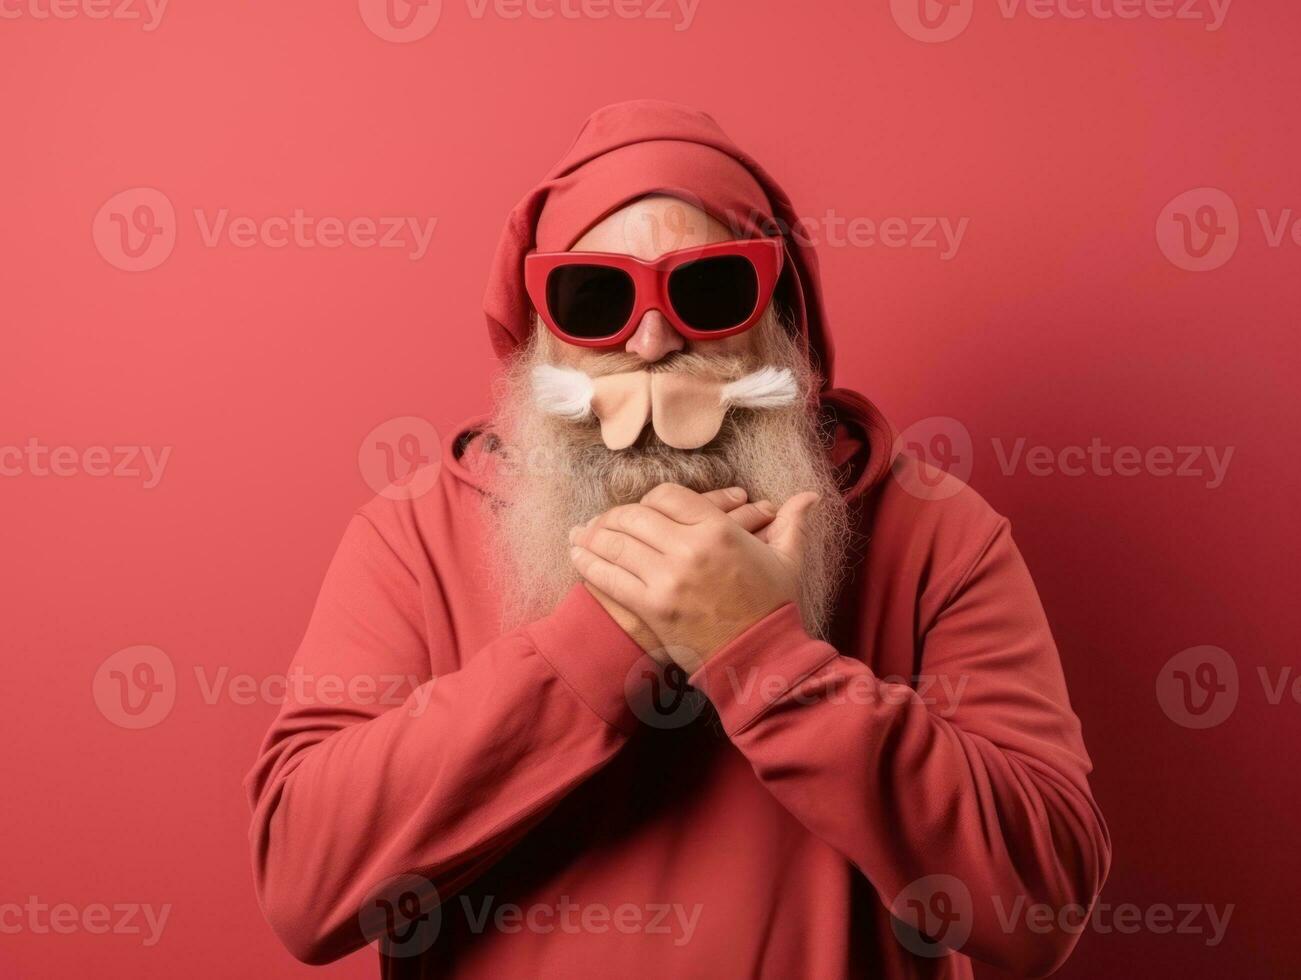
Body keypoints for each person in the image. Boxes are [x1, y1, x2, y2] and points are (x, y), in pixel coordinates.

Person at [245, 99, 1109, 979]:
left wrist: (761, 654)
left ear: (780, 319)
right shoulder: (413, 535)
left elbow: (1037, 906)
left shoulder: (931, 529)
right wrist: (600, 639)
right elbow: (306, 890)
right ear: (541, 338)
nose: (653, 340)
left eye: (707, 289)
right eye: (597, 298)